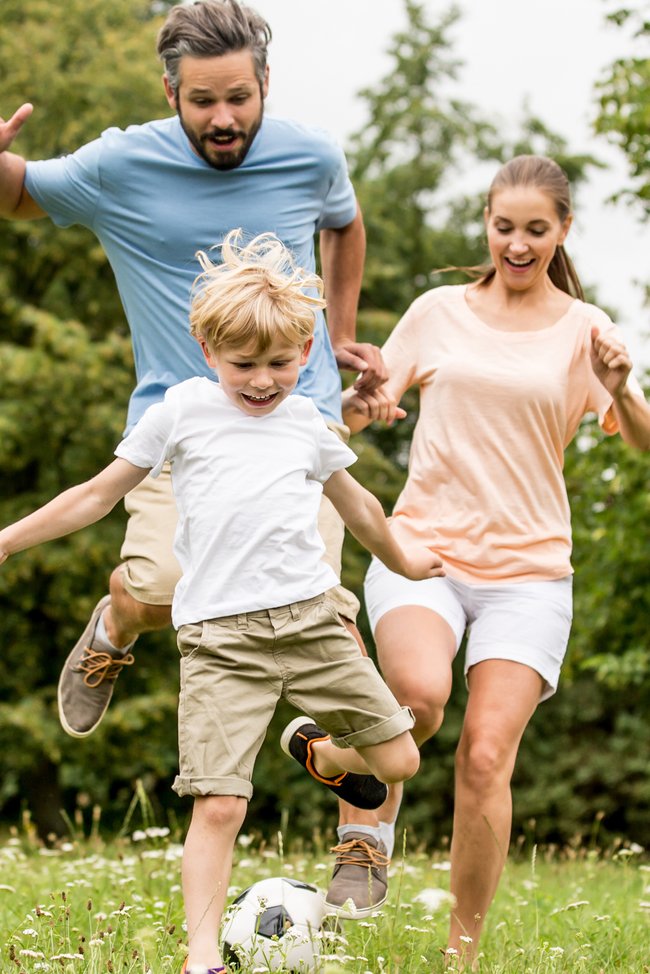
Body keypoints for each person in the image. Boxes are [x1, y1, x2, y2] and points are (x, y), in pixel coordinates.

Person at [0, 0, 388, 913]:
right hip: (180, 436)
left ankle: (365, 835)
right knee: (162, 587)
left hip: (302, 429)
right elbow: (17, 194)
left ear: (264, 87)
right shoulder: (119, 163)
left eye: (241, 99)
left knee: (324, 623)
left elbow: (346, 220)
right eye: (204, 101)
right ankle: (116, 627)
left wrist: (337, 333)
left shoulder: (310, 152)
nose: (225, 120)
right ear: (170, 91)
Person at [0, 229, 445, 974]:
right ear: (208, 352)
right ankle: (200, 956)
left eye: (279, 363)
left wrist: (406, 557)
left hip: (312, 625)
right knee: (219, 804)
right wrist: (10, 538)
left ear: (306, 353)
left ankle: (318, 748)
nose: (263, 380)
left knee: (398, 759)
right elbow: (97, 495)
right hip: (219, 640)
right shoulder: (182, 412)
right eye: (244, 365)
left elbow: (361, 507)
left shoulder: (307, 424)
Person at [342, 155, 650, 969]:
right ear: (486, 222)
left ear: (563, 231)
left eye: (535, 230)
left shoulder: (587, 332)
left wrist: (620, 389)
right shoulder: (439, 311)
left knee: (485, 754)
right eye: (503, 226)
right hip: (425, 551)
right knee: (417, 697)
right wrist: (360, 404)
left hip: (531, 574)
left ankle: (462, 955)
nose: (517, 244)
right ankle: (364, 829)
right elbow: (370, 408)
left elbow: (645, 441)